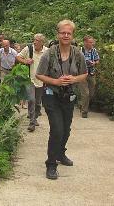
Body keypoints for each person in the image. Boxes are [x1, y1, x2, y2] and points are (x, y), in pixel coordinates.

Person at [36, 20, 87, 180]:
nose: (65, 35)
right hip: (51, 96)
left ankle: (60, 153)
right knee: (57, 129)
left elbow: (84, 74)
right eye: (63, 32)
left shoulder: (77, 53)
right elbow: (39, 74)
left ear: (72, 35)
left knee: (66, 129)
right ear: (58, 34)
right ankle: (51, 164)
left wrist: (73, 79)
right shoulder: (49, 53)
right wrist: (56, 81)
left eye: (69, 33)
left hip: (69, 97)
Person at [16, 34, 48, 132]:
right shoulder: (28, 49)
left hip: (41, 80)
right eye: (34, 40)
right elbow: (18, 57)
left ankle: (35, 117)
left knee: (38, 103)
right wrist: (25, 61)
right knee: (31, 100)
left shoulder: (47, 51)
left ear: (42, 42)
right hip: (29, 80)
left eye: (37, 40)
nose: (34, 42)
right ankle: (32, 122)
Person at [78, 36, 100, 118]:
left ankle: (82, 104)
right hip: (82, 74)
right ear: (85, 42)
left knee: (91, 93)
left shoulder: (94, 50)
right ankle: (84, 112)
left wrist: (94, 63)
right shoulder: (80, 50)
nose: (92, 44)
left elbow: (97, 60)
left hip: (91, 73)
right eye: (90, 42)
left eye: (92, 42)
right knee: (85, 93)